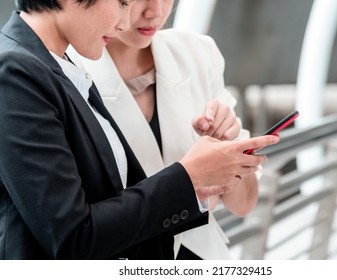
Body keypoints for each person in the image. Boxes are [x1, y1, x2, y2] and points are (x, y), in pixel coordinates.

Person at [0, 0, 279, 259]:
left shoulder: (59, 65)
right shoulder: (17, 70)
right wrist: (190, 178)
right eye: (123, 2)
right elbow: (72, 235)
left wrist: (217, 163)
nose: (127, 20)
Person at [68, 0, 261, 259]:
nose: (155, 12)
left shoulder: (199, 54)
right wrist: (195, 178)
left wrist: (231, 151)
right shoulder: (67, 72)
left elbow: (244, 204)